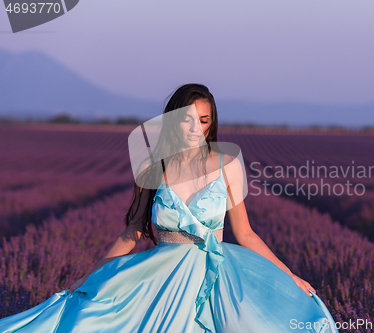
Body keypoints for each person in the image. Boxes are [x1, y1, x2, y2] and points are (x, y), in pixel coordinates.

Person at [0, 83, 340, 332]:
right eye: (187, 120)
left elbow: (246, 233)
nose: (196, 129)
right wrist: (87, 278)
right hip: (161, 281)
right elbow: (131, 232)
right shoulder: (154, 168)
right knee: (87, 319)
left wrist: (289, 275)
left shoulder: (228, 164)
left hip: (217, 277)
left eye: (204, 121)